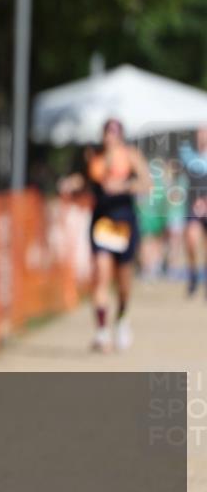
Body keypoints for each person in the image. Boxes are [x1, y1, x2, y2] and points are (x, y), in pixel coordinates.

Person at [59, 118, 151, 352]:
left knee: (123, 282)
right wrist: (71, 184)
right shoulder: (94, 156)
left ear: (120, 134)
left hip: (124, 221)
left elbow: (146, 183)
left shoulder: (130, 155)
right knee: (100, 274)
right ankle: (101, 332)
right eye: (106, 132)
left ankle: (121, 317)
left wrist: (124, 186)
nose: (109, 136)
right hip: (101, 222)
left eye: (113, 132)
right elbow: (86, 181)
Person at [179, 126, 207, 296]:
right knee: (191, 240)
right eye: (199, 132)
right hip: (193, 205)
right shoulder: (187, 153)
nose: (202, 135)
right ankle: (193, 274)